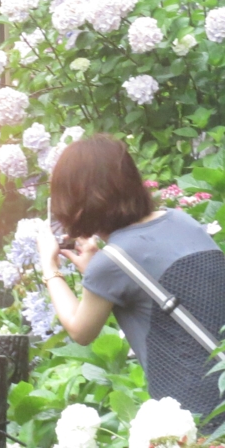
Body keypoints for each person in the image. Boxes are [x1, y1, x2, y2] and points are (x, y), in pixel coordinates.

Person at [38, 135, 225, 422]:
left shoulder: (112, 263)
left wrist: (49, 267)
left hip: (193, 411)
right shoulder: (180, 220)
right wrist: (97, 268)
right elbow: (164, 292)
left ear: (75, 199)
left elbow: (80, 331)